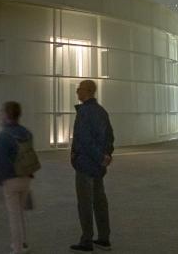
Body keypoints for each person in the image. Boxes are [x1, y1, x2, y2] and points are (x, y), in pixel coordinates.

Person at [69, 80, 115, 253]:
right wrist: (106, 156)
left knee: (85, 203)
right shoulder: (101, 111)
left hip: (86, 164)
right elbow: (110, 136)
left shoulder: (84, 113)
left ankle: (86, 240)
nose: (77, 92)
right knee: (100, 202)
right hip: (98, 166)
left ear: (87, 91)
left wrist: (98, 156)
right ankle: (104, 238)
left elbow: (85, 140)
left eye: (79, 89)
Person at [0, 101, 37, 254]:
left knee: (14, 217)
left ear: (6, 114)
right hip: (26, 178)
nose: (0, 114)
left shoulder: (4, 135)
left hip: (11, 180)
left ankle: (17, 249)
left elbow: (0, 161)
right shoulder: (27, 132)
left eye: (1, 112)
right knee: (20, 213)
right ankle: (24, 244)